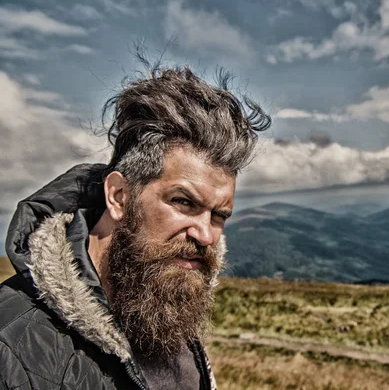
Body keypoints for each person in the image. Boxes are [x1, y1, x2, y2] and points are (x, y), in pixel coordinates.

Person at [0, 63, 271, 389]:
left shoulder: (164, 308)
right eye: (183, 202)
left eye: (219, 215)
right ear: (119, 196)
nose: (205, 234)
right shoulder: (10, 346)